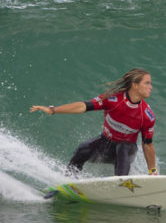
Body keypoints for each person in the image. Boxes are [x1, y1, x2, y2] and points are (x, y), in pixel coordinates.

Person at [30, 68, 158, 176]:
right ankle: (69, 181)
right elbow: (83, 106)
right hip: (106, 145)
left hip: (126, 151)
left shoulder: (146, 115)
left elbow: (147, 145)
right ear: (135, 85)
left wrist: (152, 171)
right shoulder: (113, 99)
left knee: (123, 147)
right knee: (82, 149)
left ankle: (122, 184)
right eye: (147, 83)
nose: (151, 87)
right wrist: (53, 110)